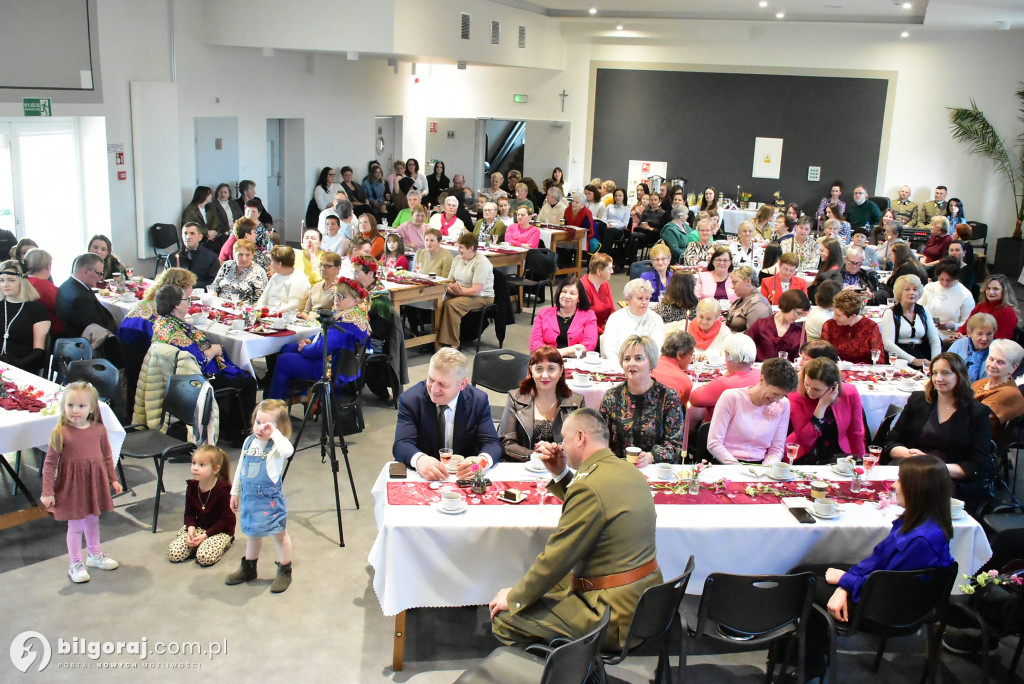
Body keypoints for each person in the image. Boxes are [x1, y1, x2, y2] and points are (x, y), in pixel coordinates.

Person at [489, 406, 661, 651]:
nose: (562, 447)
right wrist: (561, 473)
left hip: (614, 615)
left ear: (580, 437)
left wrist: (515, 598)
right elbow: (597, 506)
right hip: (646, 601)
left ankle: (565, 665)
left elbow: (557, 558)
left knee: (505, 619)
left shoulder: (589, 486)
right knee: (549, 587)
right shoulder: (626, 470)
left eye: (564, 439)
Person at [810, 455, 954, 634]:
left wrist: (845, 581)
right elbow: (877, 563)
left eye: (900, 480)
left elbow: (888, 587)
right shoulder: (920, 522)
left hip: (884, 610)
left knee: (804, 583)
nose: (894, 485)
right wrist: (844, 585)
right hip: (879, 590)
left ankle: (812, 650)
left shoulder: (921, 541)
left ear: (918, 489)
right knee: (807, 572)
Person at [884, 352, 994, 510]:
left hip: (947, 477)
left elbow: (979, 466)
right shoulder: (918, 400)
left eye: (946, 373)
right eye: (934, 373)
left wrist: (932, 466)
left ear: (960, 376)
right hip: (909, 469)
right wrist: (911, 456)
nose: (938, 379)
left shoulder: (977, 412)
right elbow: (891, 443)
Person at [40, 382, 123, 583]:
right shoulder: (60, 433)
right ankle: (75, 563)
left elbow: (107, 455)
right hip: (72, 488)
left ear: (92, 408)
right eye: (70, 405)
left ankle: (94, 555)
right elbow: (49, 464)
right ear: (63, 406)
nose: (75, 410)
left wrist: (112, 479)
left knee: (93, 520)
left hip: (93, 484)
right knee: (76, 525)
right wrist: (47, 492)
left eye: (81, 406)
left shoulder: (99, 430)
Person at [152, 284, 257, 443]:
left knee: (239, 375)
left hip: (175, 377)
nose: (188, 303)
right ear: (176, 305)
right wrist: (215, 350)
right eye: (186, 300)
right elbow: (197, 360)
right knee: (248, 381)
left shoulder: (163, 323)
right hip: (195, 379)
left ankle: (226, 424)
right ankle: (238, 433)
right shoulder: (174, 331)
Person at [393, 347, 502, 480]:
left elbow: (492, 443)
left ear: (462, 384)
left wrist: (482, 462)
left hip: (464, 477)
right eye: (431, 380)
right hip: (425, 477)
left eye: (442, 385)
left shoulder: (478, 401)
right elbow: (402, 444)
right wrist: (419, 460)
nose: (434, 390)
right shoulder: (411, 400)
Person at [226, 399, 295, 593]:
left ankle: (285, 569)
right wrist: (234, 492)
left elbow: (288, 451)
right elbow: (241, 468)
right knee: (252, 533)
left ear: (278, 428)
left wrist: (275, 434)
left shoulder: (276, 447)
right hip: (250, 499)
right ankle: (249, 567)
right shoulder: (249, 441)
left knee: (280, 535)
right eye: (257, 422)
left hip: (270, 501)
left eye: (267, 425)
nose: (260, 428)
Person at [265, 278, 370, 400]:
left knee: (283, 360)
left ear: (356, 300)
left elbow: (321, 349)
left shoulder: (344, 322)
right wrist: (310, 340)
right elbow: (324, 335)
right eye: (335, 295)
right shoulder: (356, 315)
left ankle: (275, 402)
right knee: (287, 348)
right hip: (336, 362)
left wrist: (305, 348)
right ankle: (297, 392)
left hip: (328, 369)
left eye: (341, 296)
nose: (336, 299)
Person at [599, 335, 685, 465]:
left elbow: (675, 445)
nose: (631, 363)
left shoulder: (668, 397)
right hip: (618, 467)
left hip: (655, 468)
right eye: (627, 359)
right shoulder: (612, 396)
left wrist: (651, 457)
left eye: (638, 358)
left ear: (651, 362)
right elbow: (600, 440)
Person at [498, 347, 585, 462]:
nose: (544, 375)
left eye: (551, 369)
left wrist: (556, 451)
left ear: (561, 370)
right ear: (531, 371)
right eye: (539, 369)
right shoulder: (515, 398)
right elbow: (506, 443)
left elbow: (582, 442)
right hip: (523, 464)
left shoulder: (577, 401)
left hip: (563, 464)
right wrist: (535, 455)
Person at [707, 357, 798, 464]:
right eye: (775, 394)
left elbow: (777, 449)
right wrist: (738, 468)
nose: (777, 400)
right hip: (726, 462)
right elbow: (714, 443)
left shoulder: (783, 404)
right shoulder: (732, 397)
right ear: (762, 380)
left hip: (762, 465)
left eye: (782, 396)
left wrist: (765, 468)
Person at [786, 357, 865, 465]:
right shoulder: (796, 395)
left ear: (833, 387)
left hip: (839, 451)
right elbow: (806, 439)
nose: (810, 392)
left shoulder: (850, 393)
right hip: (806, 453)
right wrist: (822, 406)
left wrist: (861, 461)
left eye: (816, 389)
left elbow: (856, 432)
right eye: (806, 384)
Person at [166, 445, 235, 567]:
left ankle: (225, 543)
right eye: (194, 463)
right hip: (200, 527)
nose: (195, 468)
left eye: (202, 465)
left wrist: (205, 535)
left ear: (215, 469)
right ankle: (198, 545)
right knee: (174, 553)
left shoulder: (224, 489)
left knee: (204, 557)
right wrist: (191, 528)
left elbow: (226, 520)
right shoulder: (192, 486)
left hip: (219, 530)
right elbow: (189, 513)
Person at [438, 233, 495, 349]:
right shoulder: (457, 259)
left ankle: (454, 343)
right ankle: (437, 340)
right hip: (460, 292)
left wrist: (456, 292)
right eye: (458, 247)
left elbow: (476, 290)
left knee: (451, 305)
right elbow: (449, 280)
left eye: (461, 247)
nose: (458, 250)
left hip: (482, 296)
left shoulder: (481, 262)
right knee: (439, 301)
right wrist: (451, 286)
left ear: (471, 248)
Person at [0, 260, 50, 374]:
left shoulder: (37, 309)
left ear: (22, 281)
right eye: (1, 280)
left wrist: (16, 365)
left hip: (23, 366)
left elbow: (39, 350)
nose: (5, 284)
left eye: (11, 280)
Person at [529, 275, 598, 357]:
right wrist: (553, 355)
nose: (566, 296)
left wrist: (561, 352)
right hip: (547, 359)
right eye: (564, 291)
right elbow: (535, 343)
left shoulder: (588, 316)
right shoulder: (543, 314)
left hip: (576, 361)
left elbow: (590, 344)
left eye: (572, 293)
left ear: (579, 298)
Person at [881, 274, 941, 367]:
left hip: (922, 354)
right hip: (899, 357)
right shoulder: (890, 313)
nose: (912, 293)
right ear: (899, 293)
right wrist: (913, 360)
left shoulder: (924, 311)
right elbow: (888, 344)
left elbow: (934, 340)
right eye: (907, 289)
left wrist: (935, 362)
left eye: (915, 289)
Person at [56, 252, 118, 341]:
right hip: (87, 343)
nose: (101, 277)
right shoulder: (81, 298)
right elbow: (97, 329)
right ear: (85, 271)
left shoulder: (66, 285)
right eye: (99, 273)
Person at [971, 339, 1024, 443]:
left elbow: (976, 423)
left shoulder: (1009, 393)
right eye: (991, 359)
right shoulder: (982, 382)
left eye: (1000, 362)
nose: (992, 365)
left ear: (1014, 368)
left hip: (976, 445)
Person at [600, 278, 665, 363]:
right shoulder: (615, 318)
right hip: (618, 364)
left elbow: (656, 350)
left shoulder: (656, 319)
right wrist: (620, 367)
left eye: (647, 298)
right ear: (628, 300)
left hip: (646, 366)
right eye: (640, 298)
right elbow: (609, 350)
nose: (644, 302)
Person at [821, 289, 885, 365]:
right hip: (836, 369)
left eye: (838, 315)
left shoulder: (870, 326)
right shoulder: (829, 325)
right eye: (834, 313)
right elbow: (823, 355)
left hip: (864, 369)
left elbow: (879, 357)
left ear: (853, 316)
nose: (834, 318)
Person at [746, 289, 811, 361]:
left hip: (787, 368)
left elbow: (799, 359)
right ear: (788, 306)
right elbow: (745, 348)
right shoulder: (760, 325)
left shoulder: (800, 332)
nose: (798, 317)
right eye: (798, 313)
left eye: (802, 314)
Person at [957, 274, 1018, 340]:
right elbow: (966, 326)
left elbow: (1000, 340)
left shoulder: (1008, 312)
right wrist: (958, 334)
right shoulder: (981, 306)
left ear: (1004, 291)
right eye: (988, 288)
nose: (991, 292)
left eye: (995, 289)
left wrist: (967, 339)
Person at [920, 258, 975, 331]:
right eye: (941, 279)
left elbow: (968, 323)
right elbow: (919, 308)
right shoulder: (929, 287)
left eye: (949, 280)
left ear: (956, 277)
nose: (945, 283)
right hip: (926, 329)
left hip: (950, 333)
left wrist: (953, 325)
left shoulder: (965, 295)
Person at [210, 238, 267, 305]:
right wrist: (215, 301)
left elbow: (261, 300)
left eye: (247, 255)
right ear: (234, 255)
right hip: (220, 305)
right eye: (240, 254)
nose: (244, 259)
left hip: (243, 308)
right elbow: (214, 287)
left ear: (252, 255)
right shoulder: (227, 265)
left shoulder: (259, 272)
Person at [256, 246, 311, 311]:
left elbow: (293, 306)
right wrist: (258, 309)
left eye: (272, 261)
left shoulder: (298, 279)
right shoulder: (275, 276)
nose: (271, 264)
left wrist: (270, 313)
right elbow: (263, 298)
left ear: (279, 264)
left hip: (284, 315)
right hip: (267, 312)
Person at [167, 222, 219, 289]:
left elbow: (213, 283)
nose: (188, 237)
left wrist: (189, 285)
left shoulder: (211, 257)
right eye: (185, 233)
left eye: (192, 233)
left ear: (200, 237)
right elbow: (166, 280)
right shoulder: (172, 257)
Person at [22, 248, 62, 336]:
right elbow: (62, 308)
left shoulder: (24, 281)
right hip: (52, 332)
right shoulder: (44, 286)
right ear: (48, 266)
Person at [948, 312, 996, 383]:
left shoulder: (997, 351)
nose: (985, 339)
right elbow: (946, 367)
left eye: (989, 334)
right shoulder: (959, 345)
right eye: (980, 334)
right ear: (969, 333)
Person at [651, 330, 695, 405]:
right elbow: (683, 409)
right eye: (691, 355)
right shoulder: (685, 382)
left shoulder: (647, 366)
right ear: (679, 355)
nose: (691, 360)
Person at [298, 251, 343, 318]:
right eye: (321, 265)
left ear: (338, 268)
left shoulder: (341, 288)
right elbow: (306, 311)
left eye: (327, 266)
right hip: (309, 322)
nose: (322, 268)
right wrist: (301, 315)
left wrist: (309, 319)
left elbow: (337, 315)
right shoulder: (316, 286)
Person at [725, 266, 770, 333]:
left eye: (735, 282)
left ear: (748, 281)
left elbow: (753, 335)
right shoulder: (743, 298)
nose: (732, 287)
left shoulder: (758, 304)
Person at [687, 298, 732, 363]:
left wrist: (709, 358)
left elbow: (727, 359)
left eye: (709, 319)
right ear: (696, 314)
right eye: (701, 317)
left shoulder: (724, 332)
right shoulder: (687, 328)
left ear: (716, 318)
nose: (704, 322)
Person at [581, 252, 615, 334]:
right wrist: (604, 333)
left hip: (605, 328)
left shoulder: (604, 283)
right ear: (599, 271)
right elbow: (586, 320)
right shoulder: (584, 287)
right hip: (589, 331)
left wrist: (614, 327)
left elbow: (611, 309)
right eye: (609, 269)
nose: (612, 271)